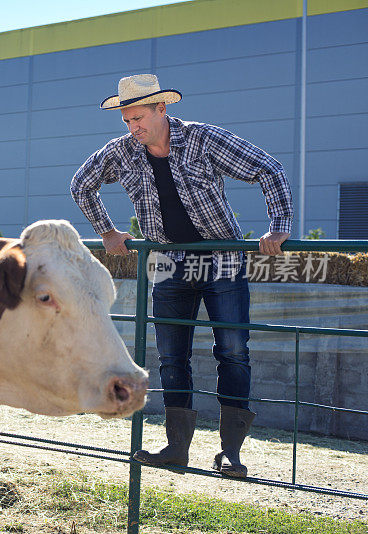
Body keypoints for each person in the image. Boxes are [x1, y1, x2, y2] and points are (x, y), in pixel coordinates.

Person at [70, 74, 293, 477]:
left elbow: (269, 169)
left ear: (161, 109)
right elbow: (82, 185)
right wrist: (107, 230)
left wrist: (279, 226)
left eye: (137, 117)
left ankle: (231, 454)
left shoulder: (204, 139)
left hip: (221, 256)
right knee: (172, 355)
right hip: (168, 261)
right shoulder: (122, 152)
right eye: (126, 121)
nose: (132, 127)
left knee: (233, 350)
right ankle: (176, 448)